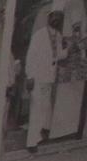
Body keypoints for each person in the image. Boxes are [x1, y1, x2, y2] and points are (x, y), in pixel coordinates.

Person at [25, 11, 64, 149]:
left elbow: (58, 55)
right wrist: (29, 76)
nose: (56, 19)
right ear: (49, 18)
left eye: (59, 17)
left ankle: (37, 136)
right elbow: (30, 56)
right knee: (36, 108)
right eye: (54, 16)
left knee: (43, 107)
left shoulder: (58, 36)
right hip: (37, 77)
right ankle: (31, 143)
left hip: (49, 78)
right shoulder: (39, 35)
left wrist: (70, 49)